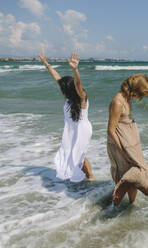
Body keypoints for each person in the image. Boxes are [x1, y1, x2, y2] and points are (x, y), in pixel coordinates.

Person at [39, 48, 93, 182]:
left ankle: (90, 177)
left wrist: (75, 70)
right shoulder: (69, 98)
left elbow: (78, 85)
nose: (61, 90)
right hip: (71, 130)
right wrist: (46, 63)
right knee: (71, 154)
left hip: (81, 131)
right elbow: (57, 77)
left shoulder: (82, 98)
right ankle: (83, 176)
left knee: (79, 155)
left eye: (63, 89)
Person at [107, 73, 148, 205]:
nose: (141, 97)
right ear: (135, 90)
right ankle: (114, 208)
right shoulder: (117, 102)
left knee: (134, 175)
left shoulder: (126, 98)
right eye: (141, 94)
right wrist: (122, 151)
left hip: (129, 143)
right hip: (119, 145)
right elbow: (111, 129)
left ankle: (131, 205)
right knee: (124, 177)